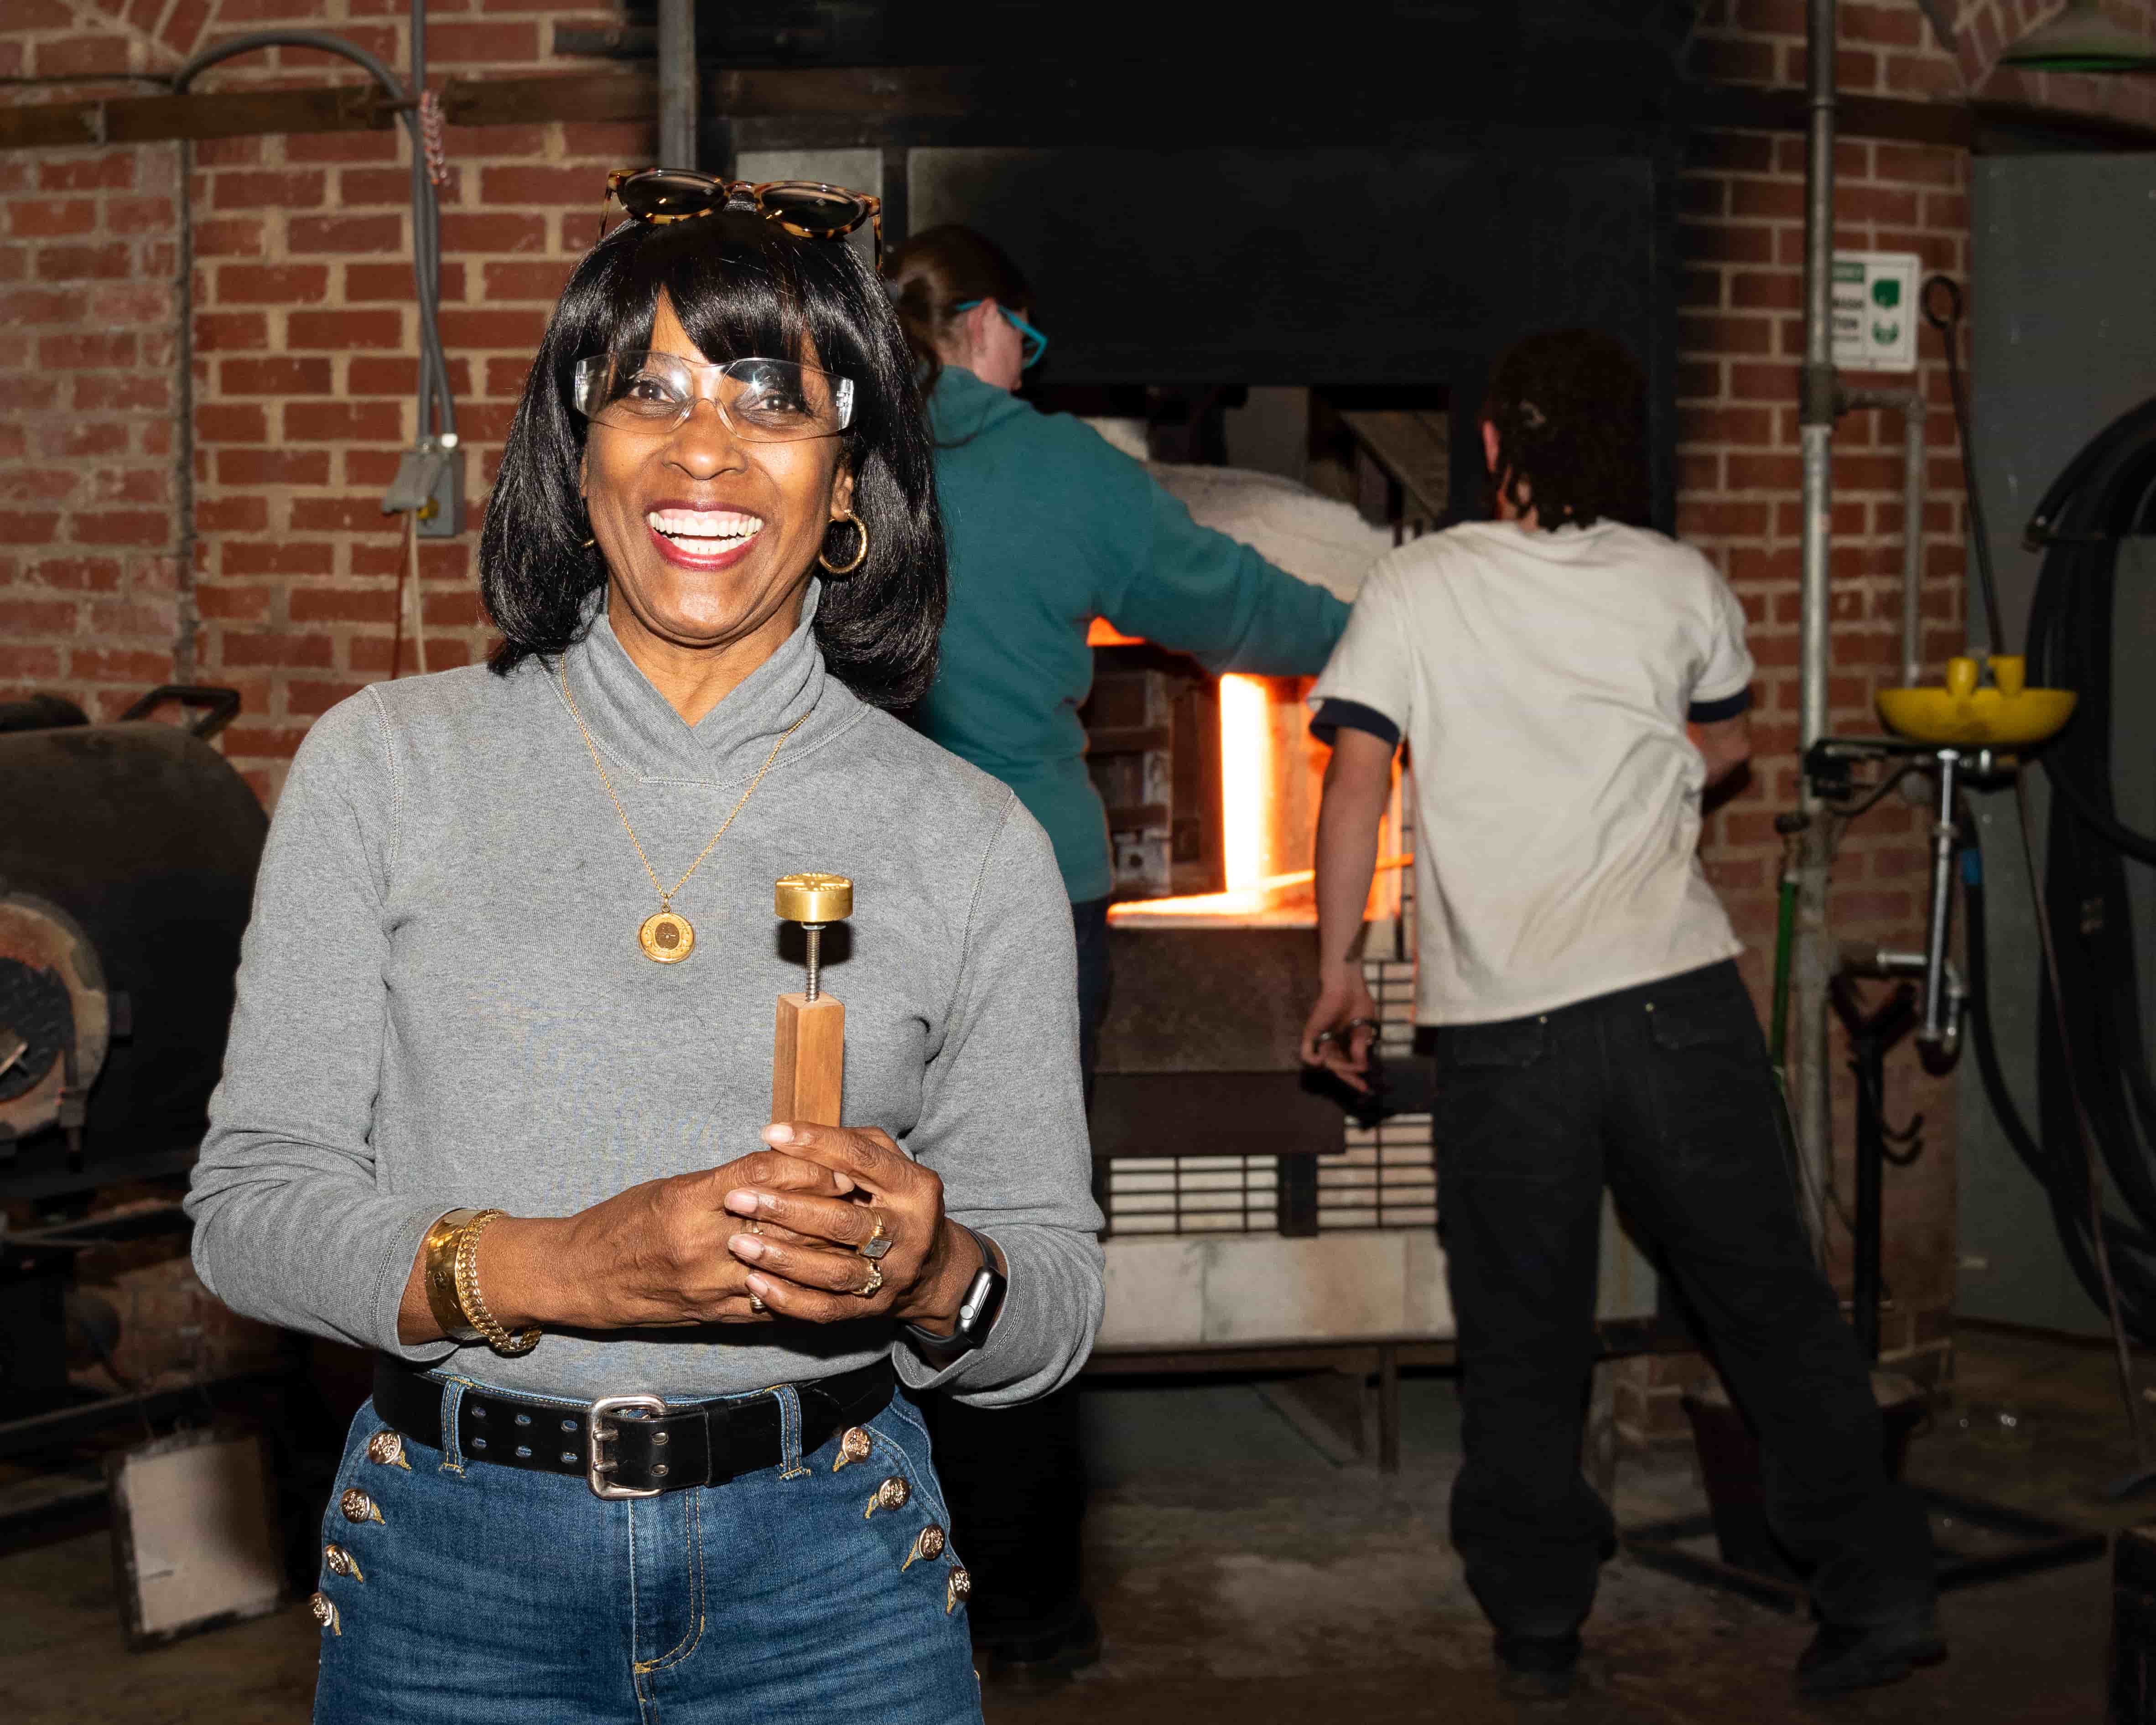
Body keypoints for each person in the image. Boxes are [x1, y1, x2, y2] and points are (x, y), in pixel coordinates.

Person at [185, 173, 1103, 1725]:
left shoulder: (972, 841)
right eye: (647, 393)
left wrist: (939, 1268)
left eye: (768, 399)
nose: (702, 448)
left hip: (834, 1575)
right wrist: (560, 1268)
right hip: (446, 1570)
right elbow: (250, 1214)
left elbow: (1055, 1298)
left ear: (849, 478)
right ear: (580, 453)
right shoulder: (388, 765)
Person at [1298, 330, 1941, 1701]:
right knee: (1769, 1307)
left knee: (1525, 1340)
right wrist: (1637, 766)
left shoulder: (1420, 582)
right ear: (1618, 443)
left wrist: (1338, 966)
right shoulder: (1678, 579)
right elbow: (1731, 741)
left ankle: (1539, 1631)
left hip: (1506, 1036)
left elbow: (1355, 785)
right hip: (1675, 1008)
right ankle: (1880, 1598)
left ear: (1493, 447)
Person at [884, 224, 1350, 1681]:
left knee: (843, 1220)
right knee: (1011, 1241)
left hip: (849, 905)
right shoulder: (1060, 467)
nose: (1033, 361)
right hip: (1026, 900)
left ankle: (874, 1591)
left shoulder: (834, 453)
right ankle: (1024, 1617)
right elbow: (1235, 606)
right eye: (1029, 333)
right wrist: (1394, 631)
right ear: (978, 323)